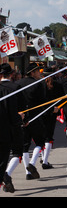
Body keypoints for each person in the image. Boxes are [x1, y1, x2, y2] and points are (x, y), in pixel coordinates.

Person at [16, 63, 47, 180]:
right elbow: (42, 101)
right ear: (32, 72)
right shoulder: (38, 84)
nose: (40, 73)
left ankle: (27, 173)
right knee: (40, 141)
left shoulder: (18, 84)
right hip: (35, 117)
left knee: (25, 145)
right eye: (38, 71)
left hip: (21, 117)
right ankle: (32, 163)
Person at [0, 63, 24, 193]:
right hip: (9, 129)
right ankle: (5, 175)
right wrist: (22, 118)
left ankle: (5, 176)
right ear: (11, 74)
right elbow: (18, 110)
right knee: (12, 153)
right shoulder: (15, 87)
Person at [41, 67, 64, 169]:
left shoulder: (38, 85)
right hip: (52, 113)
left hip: (40, 113)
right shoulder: (58, 85)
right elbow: (63, 98)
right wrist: (58, 107)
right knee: (49, 136)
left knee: (41, 136)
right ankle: (45, 161)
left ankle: (43, 157)